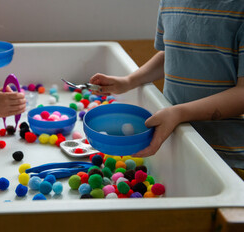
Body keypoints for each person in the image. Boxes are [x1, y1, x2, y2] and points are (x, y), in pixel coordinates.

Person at [90, 0, 244, 171]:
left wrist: (179, 113)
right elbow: (171, 54)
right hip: (175, 144)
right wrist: (128, 81)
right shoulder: (170, 2)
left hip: (225, 157)